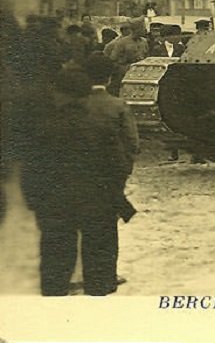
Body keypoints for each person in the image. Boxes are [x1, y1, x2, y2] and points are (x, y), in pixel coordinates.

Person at [22, 53, 138, 296]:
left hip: (54, 205)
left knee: (55, 267)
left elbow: (30, 168)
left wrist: (36, 201)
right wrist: (114, 195)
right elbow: (118, 163)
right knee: (100, 269)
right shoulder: (102, 126)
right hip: (97, 202)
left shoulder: (41, 127)